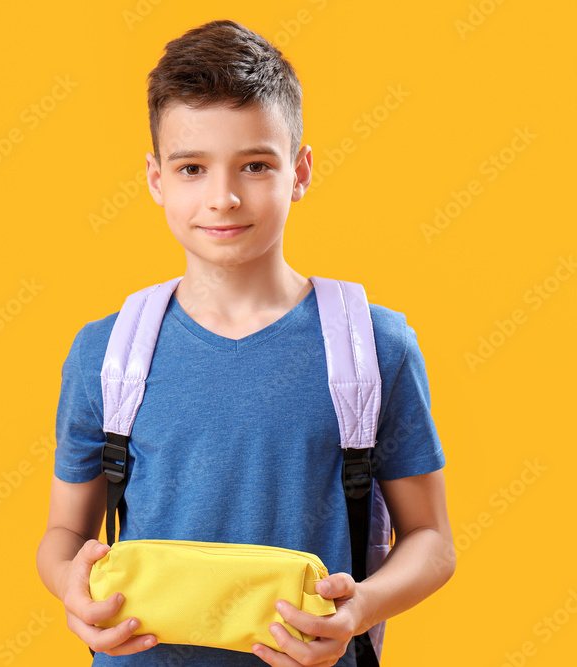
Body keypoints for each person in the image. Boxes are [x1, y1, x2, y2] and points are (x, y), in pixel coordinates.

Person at [35, 19, 454, 667]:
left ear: (301, 170)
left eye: (255, 165)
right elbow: (65, 531)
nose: (223, 197)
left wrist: (361, 607)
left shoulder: (373, 345)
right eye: (192, 168)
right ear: (155, 179)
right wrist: (70, 584)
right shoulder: (106, 352)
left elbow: (431, 538)